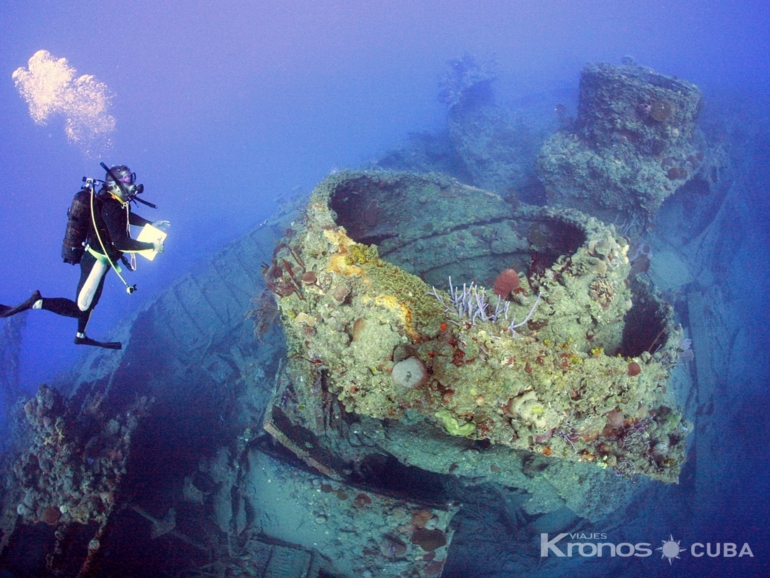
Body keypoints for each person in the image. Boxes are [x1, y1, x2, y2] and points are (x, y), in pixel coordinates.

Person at [1, 165, 169, 350]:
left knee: (91, 303)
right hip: (96, 262)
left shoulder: (116, 203)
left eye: (132, 177)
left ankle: (80, 335)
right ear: (114, 185)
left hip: (102, 261)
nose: (133, 183)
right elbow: (121, 243)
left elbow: (126, 216)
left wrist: (150, 223)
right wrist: (152, 245)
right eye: (128, 179)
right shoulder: (111, 207)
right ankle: (37, 302)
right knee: (81, 307)